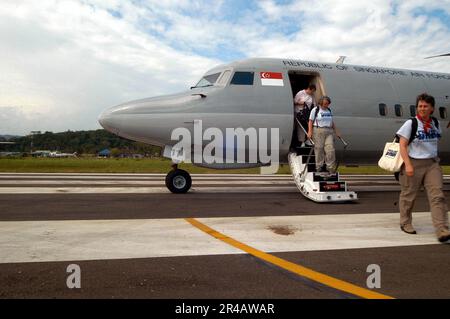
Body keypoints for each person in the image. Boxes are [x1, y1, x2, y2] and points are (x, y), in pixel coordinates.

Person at [396, 93, 450, 243]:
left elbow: (435, 139)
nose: (422, 108)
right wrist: (408, 164)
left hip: (432, 164)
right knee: (408, 196)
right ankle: (405, 222)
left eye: (425, 106)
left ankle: (442, 229)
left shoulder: (435, 123)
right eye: (420, 106)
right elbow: (402, 144)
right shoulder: (411, 124)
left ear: (432, 108)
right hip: (414, 163)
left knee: (437, 196)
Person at [307, 96, 341, 174]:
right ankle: (319, 167)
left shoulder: (329, 110)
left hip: (329, 131)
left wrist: (336, 131)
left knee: (330, 149)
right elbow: (310, 121)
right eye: (325, 104)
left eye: (328, 104)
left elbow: (331, 122)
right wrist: (310, 131)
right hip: (318, 130)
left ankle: (330, 167)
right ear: (321, 103)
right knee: (319, 149)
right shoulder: (315, 110)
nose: (327, 105)